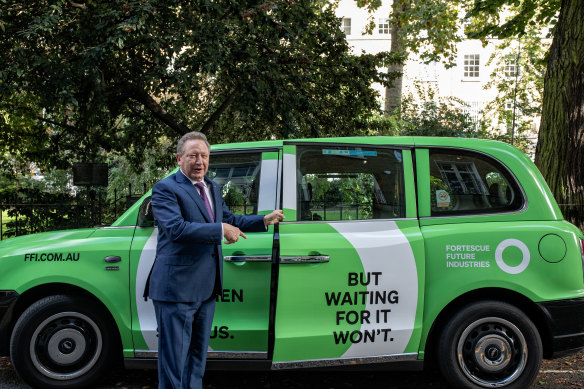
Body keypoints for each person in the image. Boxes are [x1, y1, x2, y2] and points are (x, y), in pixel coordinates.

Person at [148, 131, 284, 389]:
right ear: (179, 158)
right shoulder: (165, 188)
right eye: (192, 156)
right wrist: (220, 230)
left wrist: (262, 220)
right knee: (174, 362)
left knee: (197, 359)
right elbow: (176, 229)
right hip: (176, 289)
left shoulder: (212, 187)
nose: (199, 161)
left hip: (207, 288)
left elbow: (230, 219)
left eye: (204, 156)